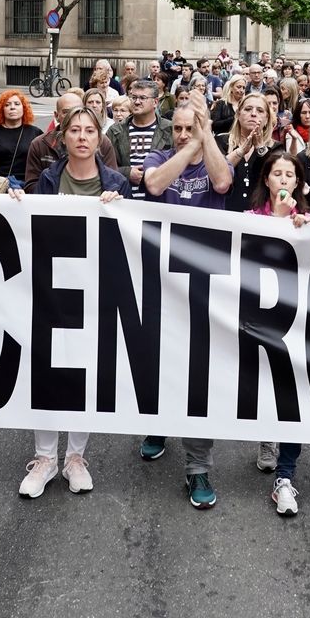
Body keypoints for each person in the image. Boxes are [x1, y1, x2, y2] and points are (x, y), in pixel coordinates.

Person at [16, 105, 128, 498]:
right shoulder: (48, 179)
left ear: (100, 139)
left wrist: (120, 209)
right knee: (47, 371)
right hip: (51, 288)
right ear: (62, 137)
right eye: (74, 130)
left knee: (85, 374)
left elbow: (127, 241)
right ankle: (45, 457)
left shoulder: (117, 182)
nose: (82, 137)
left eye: (89, 131)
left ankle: (75, 457)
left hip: (96, 290)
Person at [138, 98, 233, 507]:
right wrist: (191, 144)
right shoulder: (159, 156)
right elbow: (156, 184)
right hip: (159, 280)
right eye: (176, 128)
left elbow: (222, 183)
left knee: (198, 377)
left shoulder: (213, 153)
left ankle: (198, 468)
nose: (181, 135)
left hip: (202, 285)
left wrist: (204, 139)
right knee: (156, 363)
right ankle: (160, 423)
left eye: (188, 129)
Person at [246, 151, 310, 516]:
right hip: (255, 322)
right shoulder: (247, 221)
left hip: (295, 326)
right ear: (267, 180)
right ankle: (266, 437)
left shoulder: (309, 224)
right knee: (261, 388)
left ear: (297, 183)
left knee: (294, 397)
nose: (282, 180)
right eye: (276, 174)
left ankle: (286, 477)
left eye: (288, 175)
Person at [21, 91, 118, 192]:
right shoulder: (39, 144)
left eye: (77, 111)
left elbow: (113, 182)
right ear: (56, 115)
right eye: (66, 112)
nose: (72, 115)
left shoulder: (103, 142)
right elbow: (32, 186)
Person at [105, 80, 172, 197]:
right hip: (125, 201)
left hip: (161, 201)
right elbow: (103, 166)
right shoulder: (115, 131)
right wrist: (127, 173)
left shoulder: (170, 129)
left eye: (142, 98)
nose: (137, 102)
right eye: (133, 97)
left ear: (155, 102)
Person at [218, 92, 274, 214]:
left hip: (261, 219)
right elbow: (216, 174)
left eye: (260, 111)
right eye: (248, 109)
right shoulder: (221, 141)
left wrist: (260, 148)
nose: (253, 114)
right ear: (238, 114)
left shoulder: (275, 148)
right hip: (225, 215)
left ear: (267, 118)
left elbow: (275, 179)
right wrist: (240, 152)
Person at [0, 90, 42, 193]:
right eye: (7, 105)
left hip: (25, 186)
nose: (12, 107)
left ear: (24, 108)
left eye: (17, 104)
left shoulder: (35, 133)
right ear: (1, 109)